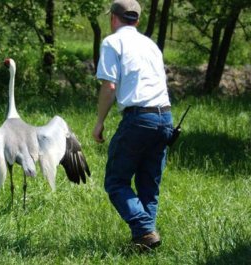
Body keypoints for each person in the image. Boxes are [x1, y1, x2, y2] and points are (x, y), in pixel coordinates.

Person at [92, 0, 173, 249]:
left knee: (116, 181)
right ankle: (144, 241)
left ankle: (145, 229)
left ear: (113, 18)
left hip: (139, 118)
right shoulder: (151, 45)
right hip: (165, 117)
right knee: (149, 184)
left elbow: (110, 86)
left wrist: (99, 122)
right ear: (136, 20)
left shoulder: (112, 41)